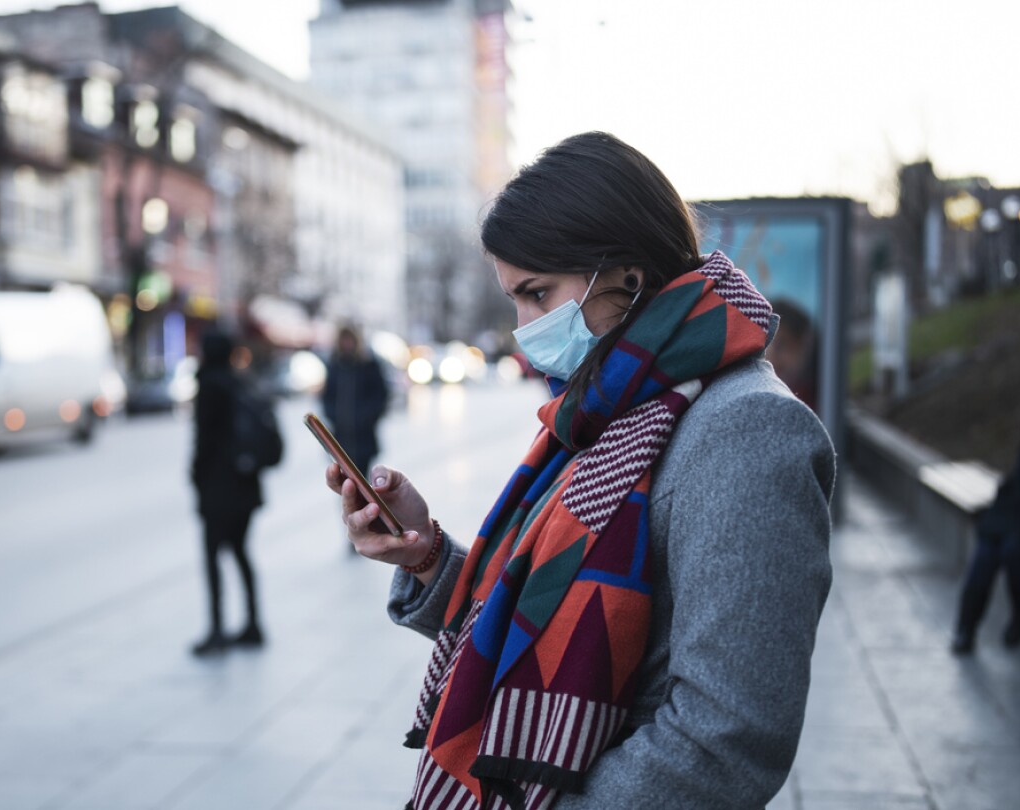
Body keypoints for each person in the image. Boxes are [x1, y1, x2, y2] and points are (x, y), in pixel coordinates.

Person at [322, 132, 835, 809]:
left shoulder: (747, 429)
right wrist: (426, 556)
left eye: (537, 294)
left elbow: (725, 740)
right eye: (513, 299)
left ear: (627, 273)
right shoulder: (607, 407)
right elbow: (536, 617)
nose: (523, 326)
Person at [190, 330, 265, 656]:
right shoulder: (241, 382)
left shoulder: (209, 385)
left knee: (212, 556)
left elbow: (204, 440)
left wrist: (195, 475)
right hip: (245, 484)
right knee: (240, 551)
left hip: (218, 487)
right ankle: (253, 623)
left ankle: (217, 629)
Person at [322, 323, 391, 543]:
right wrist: (334, 417)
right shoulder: (335, 365)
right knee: (345, 489)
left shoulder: (368, 365)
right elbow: (327, 397)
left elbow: (381, 396)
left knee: (362, 487)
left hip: (363, 438)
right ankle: (352, 530)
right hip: (341, 439)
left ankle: (369, 525)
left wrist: (366, 417)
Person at [950, 442, 1020, 654]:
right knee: (983, 562)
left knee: (1012, 553)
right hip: (1003, 517)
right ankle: (966, 630)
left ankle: (1018, 618)